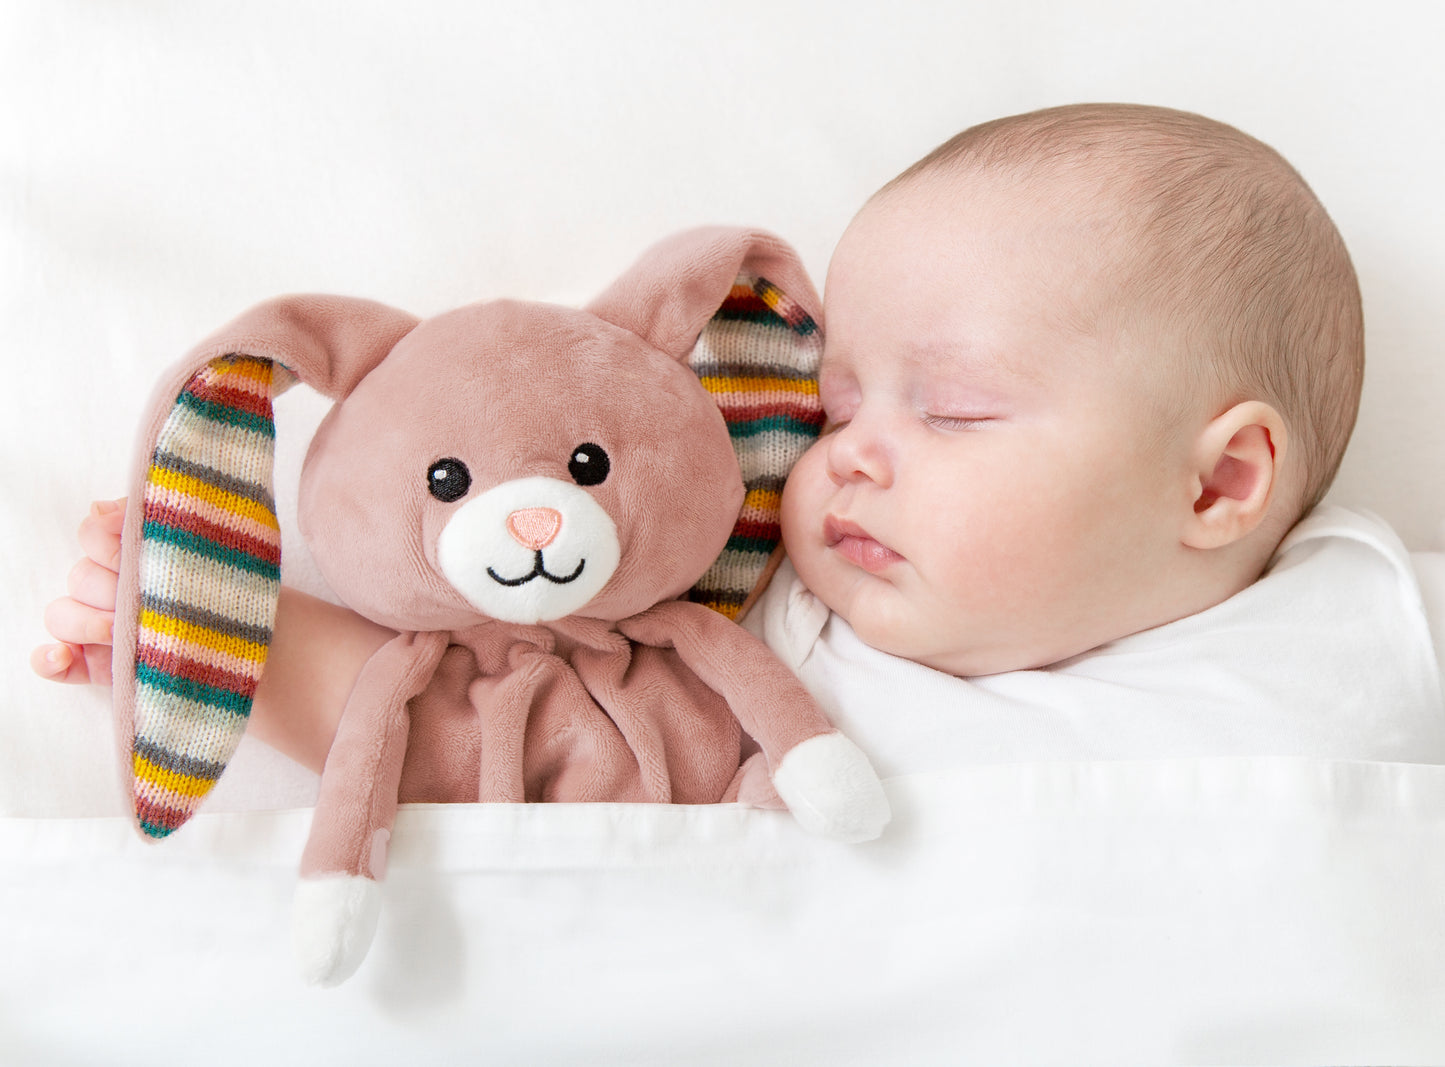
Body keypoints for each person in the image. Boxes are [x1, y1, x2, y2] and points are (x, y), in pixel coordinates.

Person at [32, 104, 1445, 776]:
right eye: (833, 411)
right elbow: (472, 744)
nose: (848, 458)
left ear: (1220, 481)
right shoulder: (774, 652)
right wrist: (229, 622)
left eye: (948, 409)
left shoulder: (1369, 625)